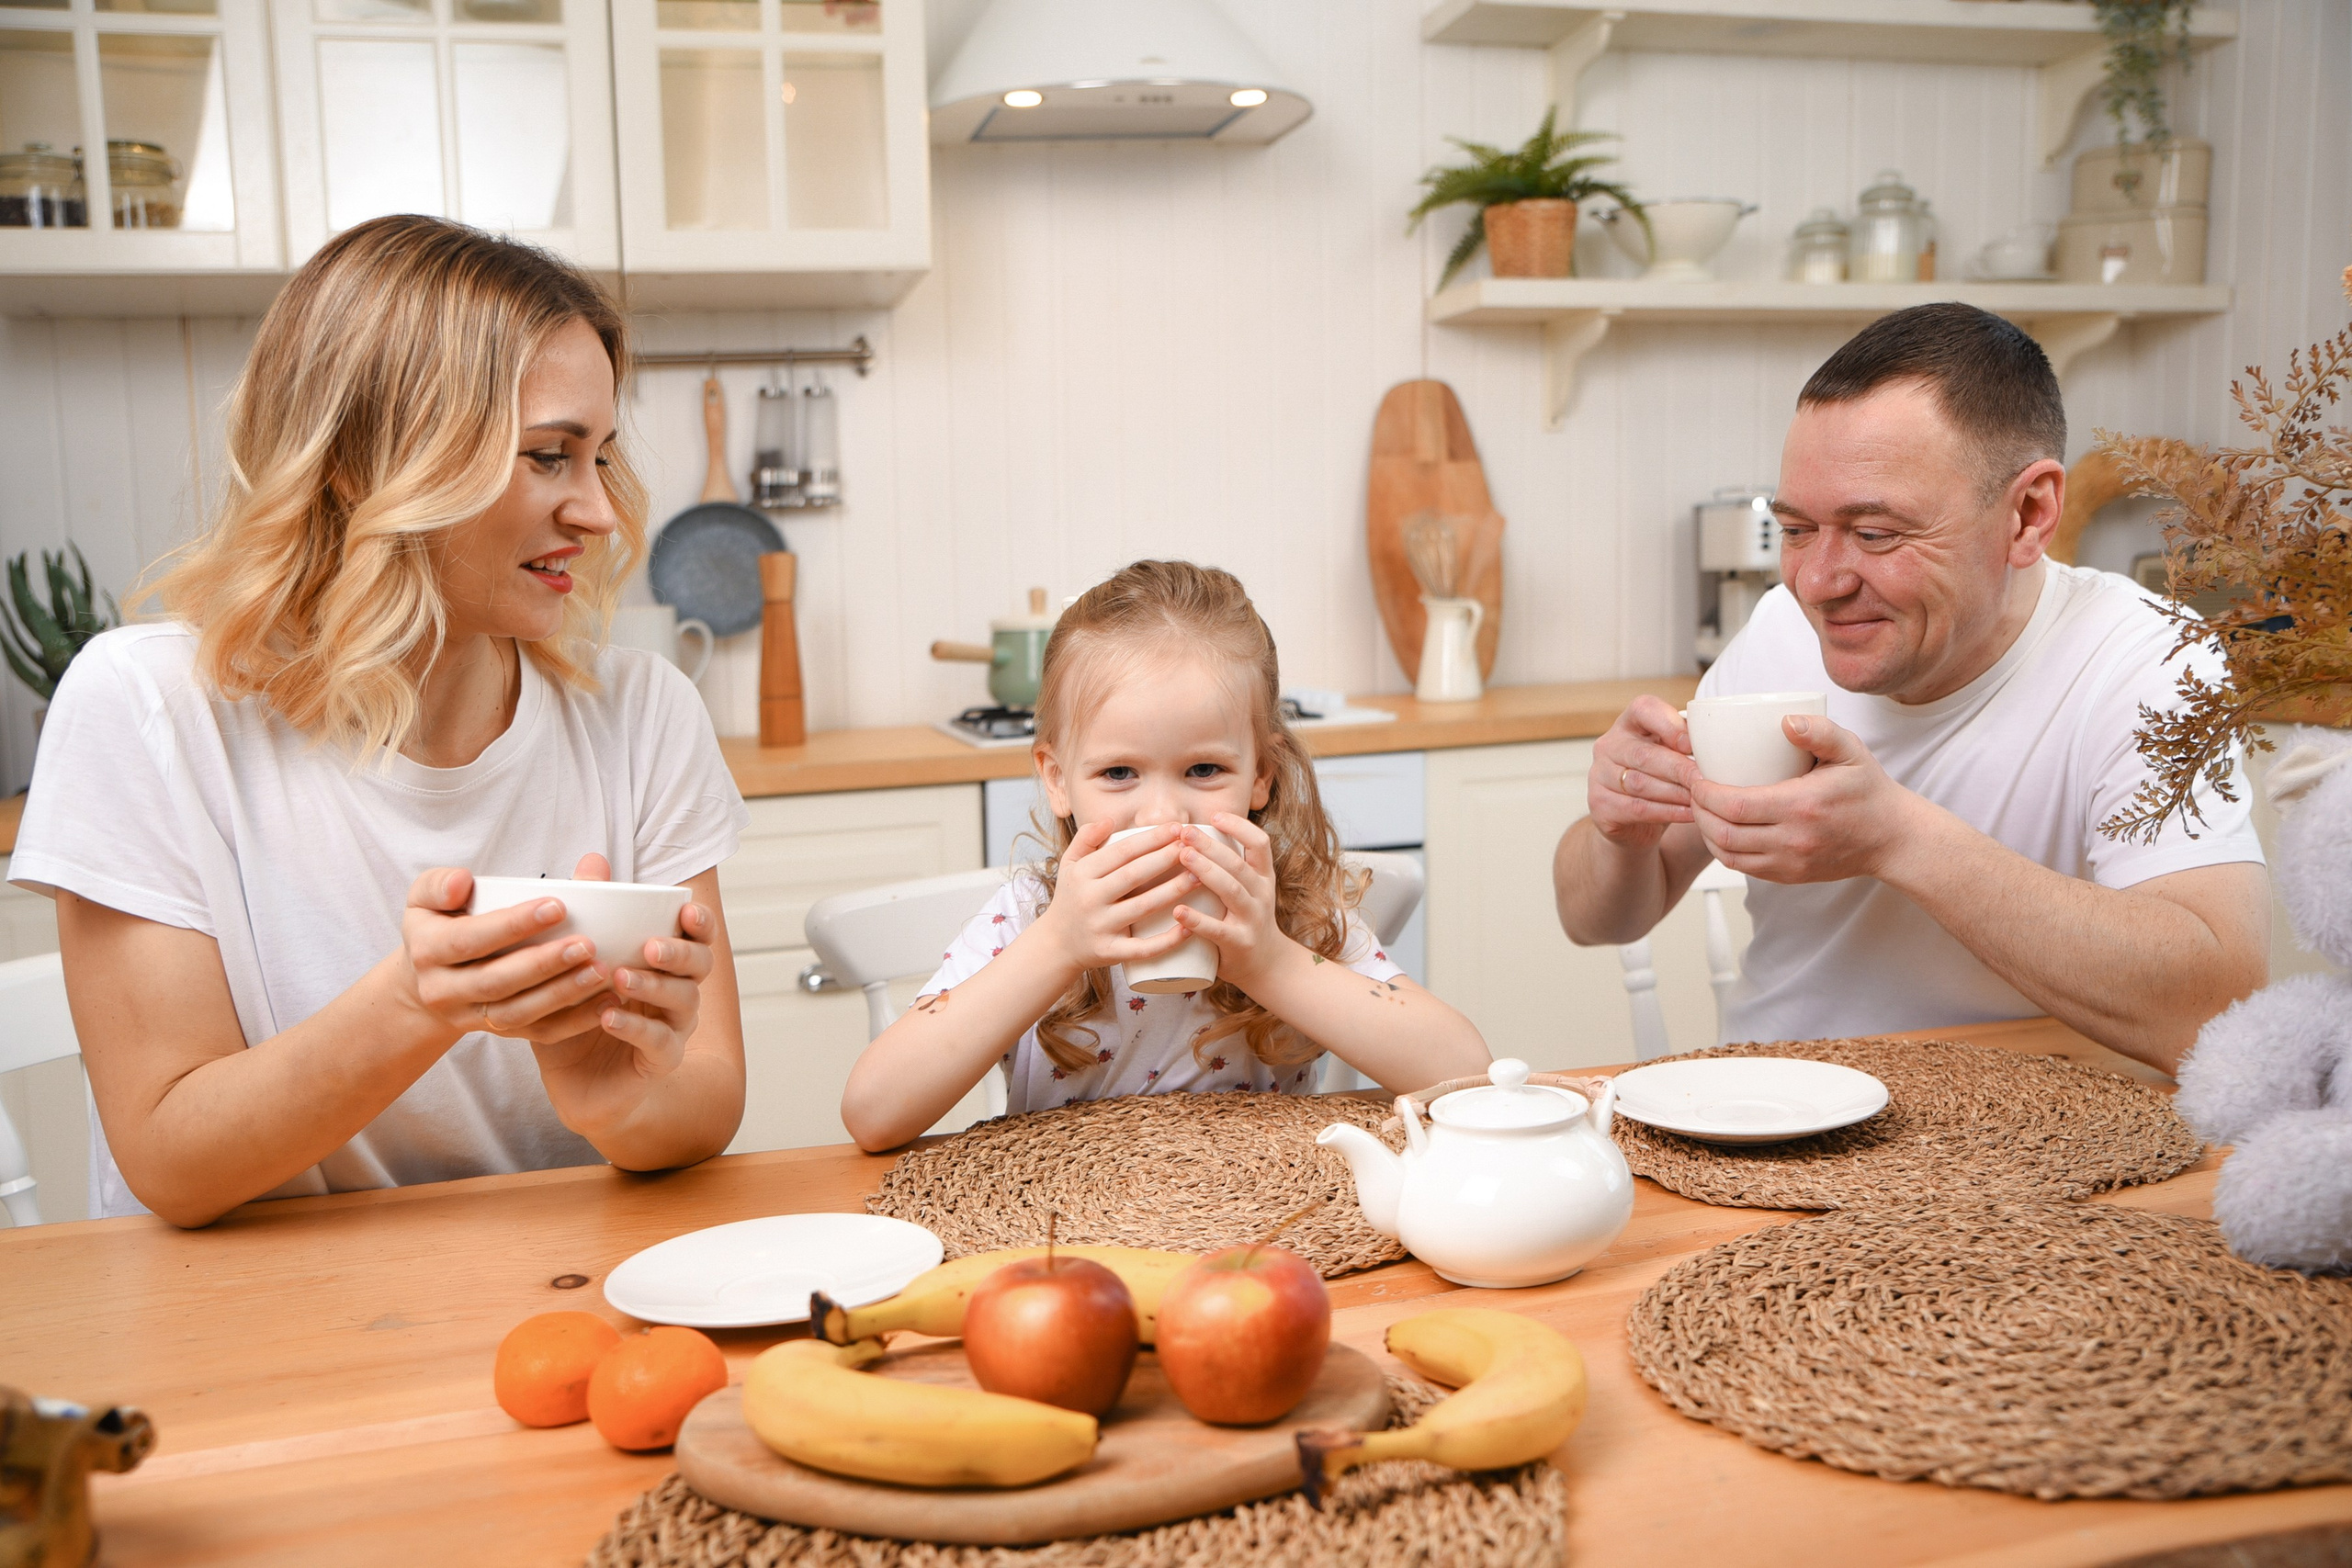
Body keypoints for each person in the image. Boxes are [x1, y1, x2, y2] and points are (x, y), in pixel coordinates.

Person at [10, 216, 752, 1227]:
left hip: (547, 1288)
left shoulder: (641, 714)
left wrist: (621, 1097)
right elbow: (168, 1157)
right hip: (239, 1320)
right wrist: (416, 1002)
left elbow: (706, 1100)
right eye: (547, 456)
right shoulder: (147, 710)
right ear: (367, 463)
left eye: (600, 458)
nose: (602, 514)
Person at [1552, 303, 2267, 1075]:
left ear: (2029, 514)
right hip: (1768, 1112)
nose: (1819, 582)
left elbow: (2216, 1008)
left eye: (1875, 533)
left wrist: (1898, 838)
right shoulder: (1779, 635)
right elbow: (1595, 918)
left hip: (2037, 1136)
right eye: (1796, 530)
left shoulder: (2147, 658)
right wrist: (1619, 835)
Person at [840, 560, 1488, 1151]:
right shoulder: (1031, 916)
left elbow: (1466, 1072)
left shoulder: (1290, 913)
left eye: (1203, 768)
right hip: (1065, 1228)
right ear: (1058, 777)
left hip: (1258, 1224)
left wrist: (1270, 960)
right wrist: (1058, 946)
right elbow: (872, 1112)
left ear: (1260, 773)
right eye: (1120, 772)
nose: (1162, 815)